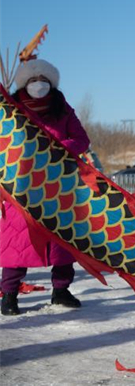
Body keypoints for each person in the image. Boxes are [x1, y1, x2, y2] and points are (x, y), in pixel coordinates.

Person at [1, 59, 89, 315]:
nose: (38, 85)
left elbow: (81, 139)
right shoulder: (11, 109)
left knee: (63, 242)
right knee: (18, 241)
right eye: (32, 80)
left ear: (51, 83)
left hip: (57, 186)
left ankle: (61, 290)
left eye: (43, 80)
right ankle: (9, 294)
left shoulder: (62, 108)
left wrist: (59, 149)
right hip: (21, 186)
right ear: (23, 84)